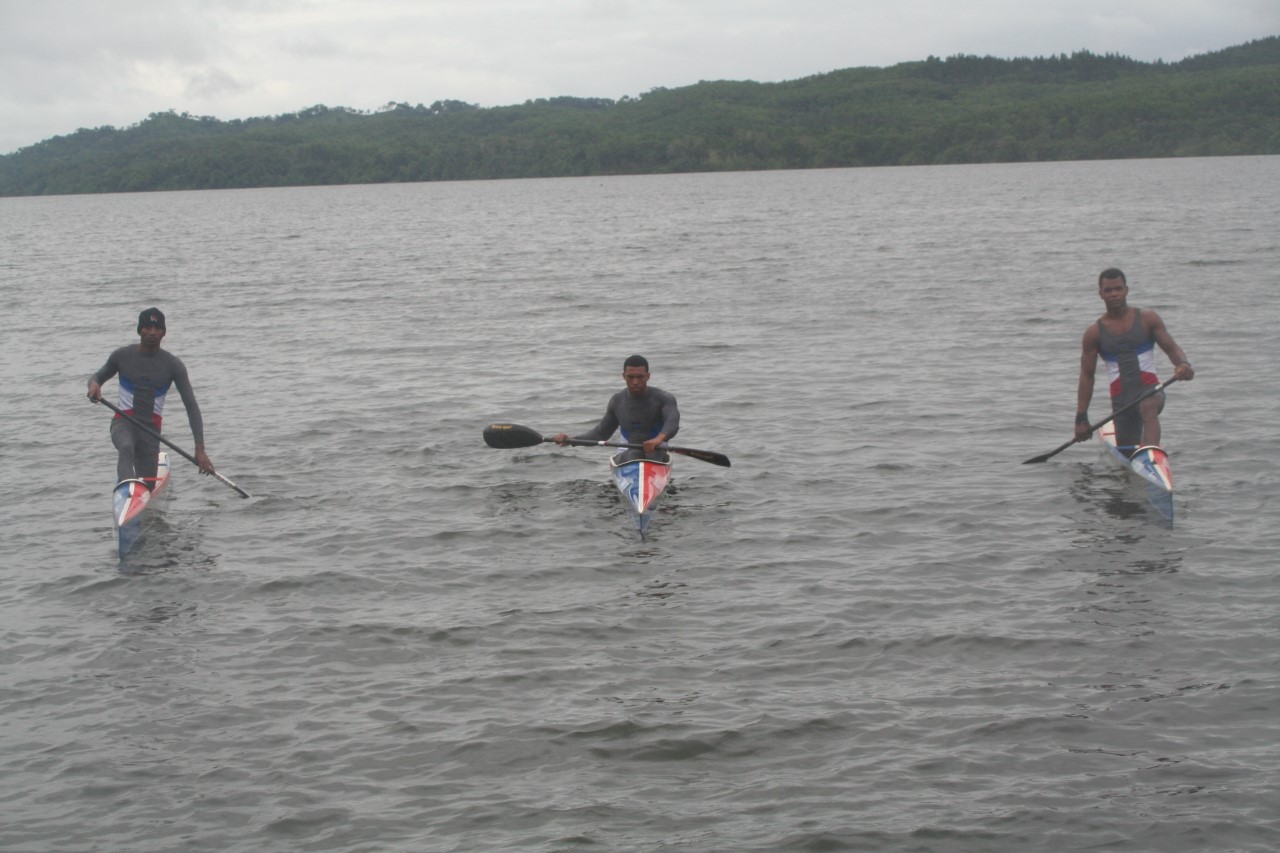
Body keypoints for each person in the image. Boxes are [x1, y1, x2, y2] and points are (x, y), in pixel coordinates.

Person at [86, 307, 215, 487]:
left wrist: (199, 449)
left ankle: (143, 499)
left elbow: (191, 407)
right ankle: (126, 487)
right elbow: (97, 377)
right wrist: (94, 385)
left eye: (157, 329)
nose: (152, 332)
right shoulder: (122, 356)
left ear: (163, 333)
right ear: (140, 330)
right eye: (147, 327)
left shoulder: (173, 366)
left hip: (151, 431)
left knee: (149, 485)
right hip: (123, 422)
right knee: (126, 447)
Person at [1074, 268, 1194, 453]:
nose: (1114, 294)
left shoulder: (1147, 319)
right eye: (1108, 290)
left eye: (1118, 289)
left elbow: (1172, 348)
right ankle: (1140, 454)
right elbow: (1087, 377)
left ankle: (1152, 452)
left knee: (1147, 405)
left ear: (1126, 290)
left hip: (1151, 391)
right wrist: (1081, 419)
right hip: (1122, 402)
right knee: (1126, 451)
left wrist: (1183, 364)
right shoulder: (1094, 334)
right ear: (1101, 294)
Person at [554, 354, 680, 462]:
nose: (635, 382)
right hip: (628, 452)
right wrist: (571, 440)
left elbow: (672, 423)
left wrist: (657, 440)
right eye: (630, 377)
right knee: (635, 454)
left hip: (657, 450)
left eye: (640, 377)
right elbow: (600, 433)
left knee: (653, 455)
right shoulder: (617, 401)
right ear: (624, 376)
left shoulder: (664, 398)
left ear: (648, 376)